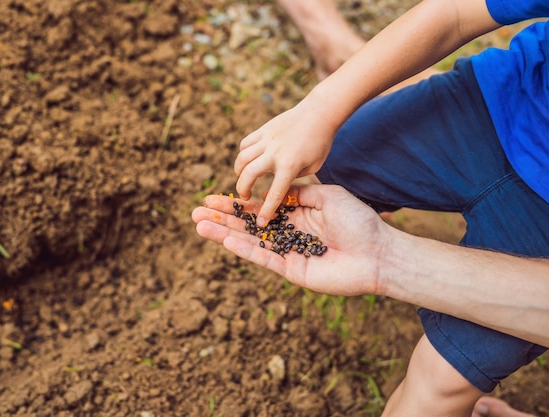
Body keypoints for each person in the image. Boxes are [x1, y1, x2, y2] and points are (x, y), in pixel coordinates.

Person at [193, 0, 549, 415]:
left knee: (436, 389)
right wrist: (320, 109)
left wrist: (383, 261)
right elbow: (455, 11)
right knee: (339, 162)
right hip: (503, 98)